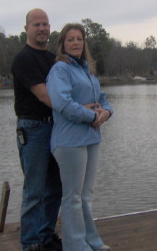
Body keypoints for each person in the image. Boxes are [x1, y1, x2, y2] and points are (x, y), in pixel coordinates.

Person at [46, 23, 113, 251]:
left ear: (84, 43)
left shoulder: (87, 69)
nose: (76, 43)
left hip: (91, 137)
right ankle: (75, 246)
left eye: (79, 39)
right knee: (72, 197)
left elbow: (102, 98)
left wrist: (105, 113)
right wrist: (91, 116)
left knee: (86, 196)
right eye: (70, 39)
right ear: (62, 45)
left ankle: (92, 241)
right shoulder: (60, 70)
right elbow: (62, 103)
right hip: (69, 141)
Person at [11, 8, 62, 251]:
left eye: (46, 24)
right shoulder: (24, 59)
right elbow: (45, 96)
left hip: (56, 127)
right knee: (35, 189)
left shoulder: (53, 58)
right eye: (37, 24)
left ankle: (46, 236)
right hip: (33, 129)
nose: (42, 28)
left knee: (56, 187)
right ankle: (30, 243)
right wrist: (80, 110)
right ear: (27, 29)